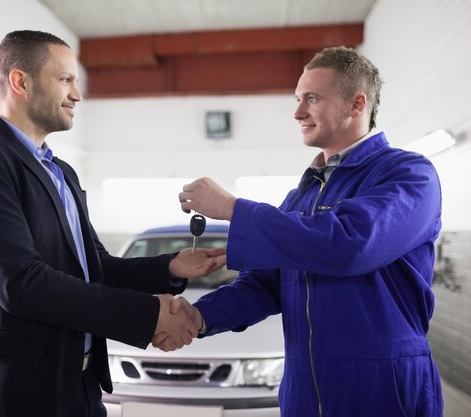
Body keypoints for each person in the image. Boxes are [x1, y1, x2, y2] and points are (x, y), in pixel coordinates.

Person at [0, 30, 225, 417]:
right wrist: (148, 314)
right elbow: (20, 284)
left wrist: (168, 266)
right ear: (21, 81)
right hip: (16, 393)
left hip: (82, 386)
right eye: (65, 80)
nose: (77, 94)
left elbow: (94, 267)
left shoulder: (62, 173)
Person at [156, 46, 444, 416]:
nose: (297, 112)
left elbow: (350, 244)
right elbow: (267, 283)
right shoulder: (303, 194)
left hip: (383, 389)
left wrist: (233, 208)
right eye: (297, 98)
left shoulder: (408, 175)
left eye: (312, 98)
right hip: (305, 390)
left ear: (357, 104)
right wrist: (199, 317)